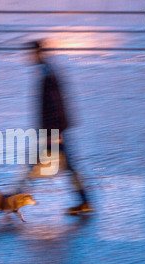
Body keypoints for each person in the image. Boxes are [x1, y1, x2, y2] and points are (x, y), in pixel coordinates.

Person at [20, 40, 92, 214]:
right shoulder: (47, 70)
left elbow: (55, 104)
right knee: (67, 167)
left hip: (52, 132)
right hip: (53, 131)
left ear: (37, 53)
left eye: (30, 54)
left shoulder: (46, 73)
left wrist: (55, 132)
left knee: (35, 164)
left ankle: (14, 200)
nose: (28, 57)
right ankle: (84, 201)